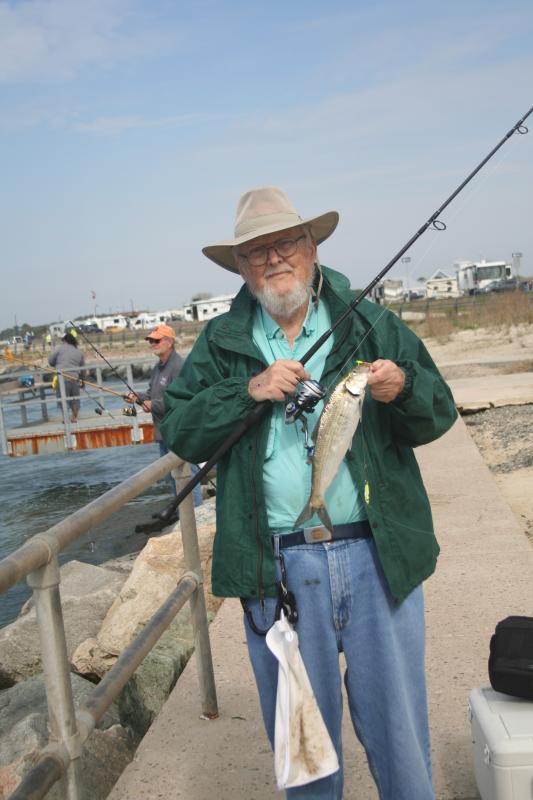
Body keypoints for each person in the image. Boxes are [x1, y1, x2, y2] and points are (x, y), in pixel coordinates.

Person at [161, 187, 457, 799]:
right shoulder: (219, 345)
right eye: (256, 251)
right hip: (277, 570)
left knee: (402, 743)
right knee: (306, 752)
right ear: (239, 267)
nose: (273, 259)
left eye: (286, 243)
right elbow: (181, 430)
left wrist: (402, 387)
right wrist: (249, 390)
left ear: (312, 247)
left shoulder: (371, 322)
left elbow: (437, 414)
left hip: (380, 559)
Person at [125, 324, 202, 506]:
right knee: (171, 477)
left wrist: (154, 405)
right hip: (163, 433)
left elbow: (182, 399)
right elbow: (152, 394)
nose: (152, 344)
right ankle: (180, 516)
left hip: (178, 432)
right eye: (151, 341)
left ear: (169, 342)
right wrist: (138, 397)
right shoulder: (158, 368)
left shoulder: (178, 366)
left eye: (156, 340)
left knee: (187, 476)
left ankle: (195, 516)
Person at [48, 333, 85, 422]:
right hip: (74, 378)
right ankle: (74, 418)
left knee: (63, 399)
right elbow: (83, 367)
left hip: (62, 378)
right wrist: (82, 381)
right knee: (75, 400)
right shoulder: (78, 352)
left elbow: (50, 361)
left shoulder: (59, 349)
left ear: (64, 340)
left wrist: (56, 364)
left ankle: (65, 418)